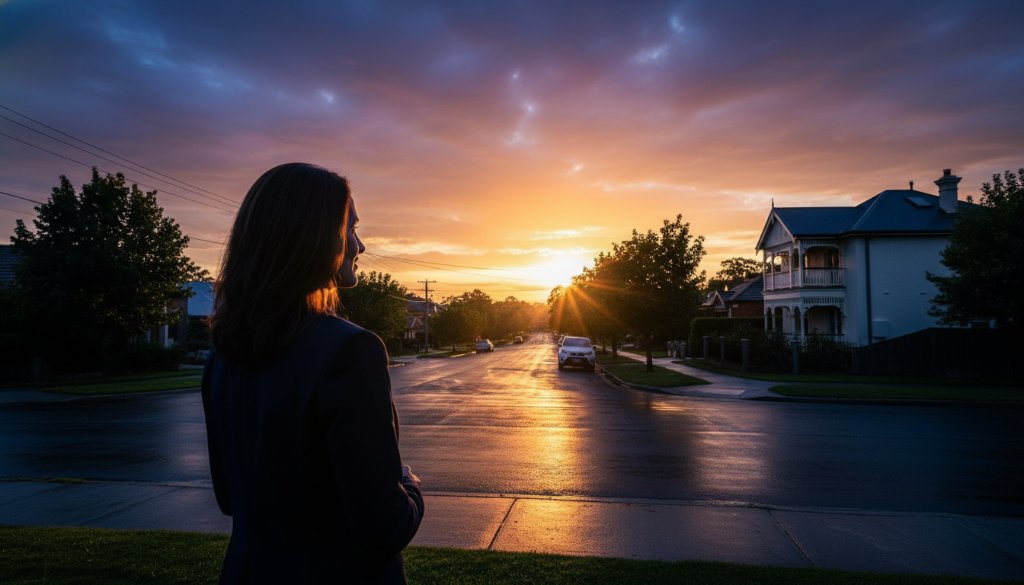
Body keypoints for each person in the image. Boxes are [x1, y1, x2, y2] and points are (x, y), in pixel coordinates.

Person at [202, 162, 424, 584]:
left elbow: (230, 498)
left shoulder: (221, 357)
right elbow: (383, 528)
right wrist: (410, 488)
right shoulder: (350, 351)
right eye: (350, 228)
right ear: (315, 237)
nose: (359, 246)